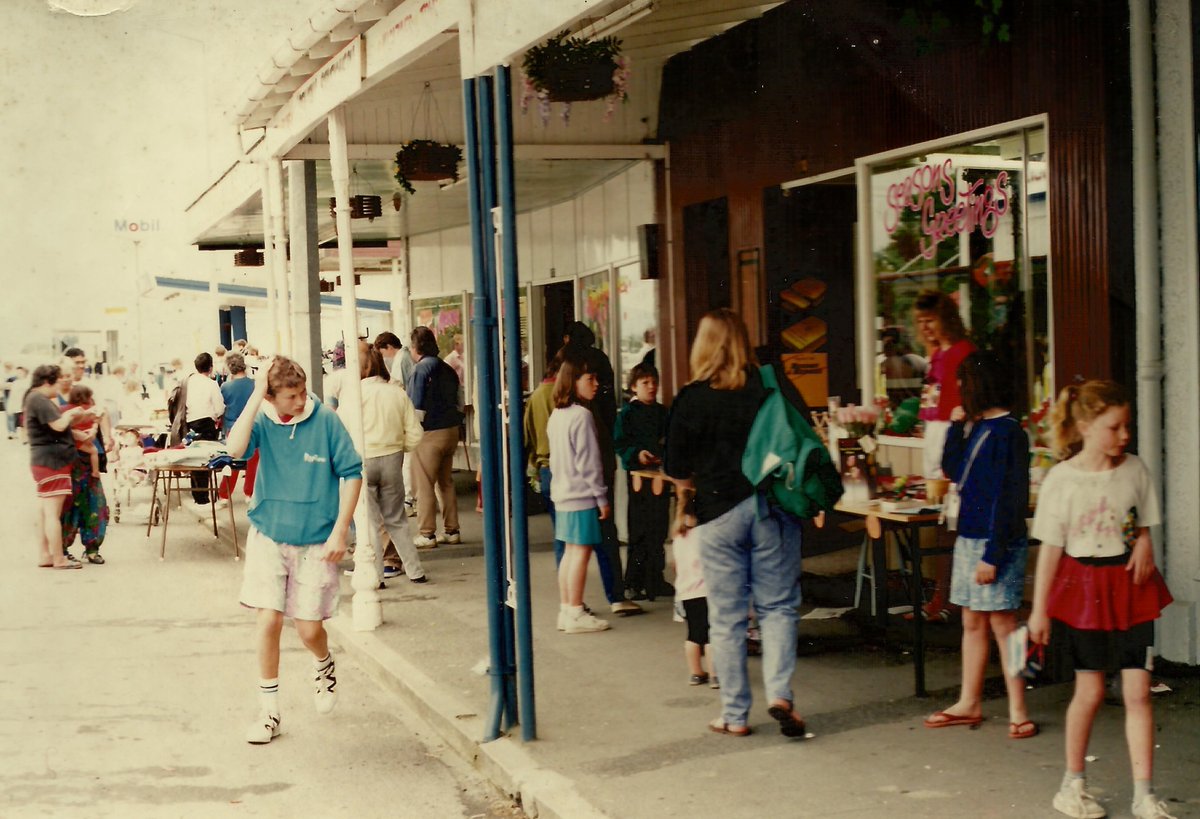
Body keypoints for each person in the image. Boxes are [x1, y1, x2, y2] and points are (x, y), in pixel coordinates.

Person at [1028, 381, 1176, 819]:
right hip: (1086, 590)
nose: (1125, 435)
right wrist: (1039, 609)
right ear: (1087, 426)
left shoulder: (1134, 469)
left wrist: (1145, 542)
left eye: (1127, 426)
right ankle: (1072, 785)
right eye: (1115, 427)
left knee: (1137, 692)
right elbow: (1051, 548)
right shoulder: (1062, 479)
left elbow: (1138, 521)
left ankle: (1144, 794)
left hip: (1131, 585)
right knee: (1089, 691)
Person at [664, 308, 806, 739]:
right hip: (770, 509)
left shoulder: (691, 397)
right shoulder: (767, 386)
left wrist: (695, 485)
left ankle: (734, 714)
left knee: (724, 616)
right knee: (777, 606)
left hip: (717, 513)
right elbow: (799, 439)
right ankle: (780, 694)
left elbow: (675, 466)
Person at [225, 357, 363, 746]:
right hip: (269, 534)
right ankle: (269, 714)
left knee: (308, 629)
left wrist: (340, 532)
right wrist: (255, 395)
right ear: (272, 396)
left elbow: (352, 473)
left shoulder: (325, 421)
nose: (302, 401)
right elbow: (235, 450)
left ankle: (324, 663)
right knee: (268, 620)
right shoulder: (264, 420)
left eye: (303, 392)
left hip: (317, 539)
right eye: (292, 396)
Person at [922, 351, 1034, 738]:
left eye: (964, 386)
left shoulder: (1009, 433)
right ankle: (969, 701)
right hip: (972, 537)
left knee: (1005, 623)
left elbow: (1010, 499)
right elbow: (953, 470)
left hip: (994, 541)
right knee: (972, 620)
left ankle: (1019, 708)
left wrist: (993, 554)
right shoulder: (980, 428)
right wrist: (955, 429)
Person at [563, 321, 640, 616]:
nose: (595, 384)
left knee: (570, 545)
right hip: (597, 468)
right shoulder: (598, 369)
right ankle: (615, 595)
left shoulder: (565, 397)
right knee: (601, 534)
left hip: (570, 480)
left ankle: (571, 601)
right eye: (590, 379)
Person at [913, 290, 976, 621]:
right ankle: (942, 595)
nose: (925, 328)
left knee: (954, 525)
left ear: (947, 319)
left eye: (930, 320)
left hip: (954, 442)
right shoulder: (936, 354)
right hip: (935, 438)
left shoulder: (964, 353)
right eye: (920, 322)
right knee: (940, 525)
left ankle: (953, 598)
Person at [548, 353, 612, 634]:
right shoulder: (582, 416)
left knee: (570, 553)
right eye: (590, 378)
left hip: (563, 493)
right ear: (574, 382)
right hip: (582, 494)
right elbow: (590, 462)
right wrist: (601, 497)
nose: (595, 384)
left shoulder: (557, 416)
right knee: (581, 553)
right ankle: (576, 610)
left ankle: (567, 609)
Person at [356, 340, 426, 583]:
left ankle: (375, 576)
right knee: (396, 519)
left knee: (371, 522)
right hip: (392, 458)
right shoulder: (397, 392)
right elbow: (416, 433)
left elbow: (343, 431)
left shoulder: (355, 396)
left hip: (363, 459)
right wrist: (399, 448)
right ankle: (415, 571)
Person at [613, 362, 674, 601]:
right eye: (645, 383)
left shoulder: (663, 412)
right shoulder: (628, 414)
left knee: (659, 530)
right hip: (639, 480)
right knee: (639, 531)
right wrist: (637, 454)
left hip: (660, 477)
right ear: (633, 387)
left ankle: (655, 579)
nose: (651, 387)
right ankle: (634, 581)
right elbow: (621, 444)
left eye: (653, 382)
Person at [24, 364, 90, 570]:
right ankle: (59, 558)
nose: (60, 384)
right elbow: (59, 426)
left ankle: (45, 554)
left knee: (45, 511)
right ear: (48, 382)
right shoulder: (40, 399)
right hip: (53, 462)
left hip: (43, 461)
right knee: (53, 514)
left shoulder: (33, 398)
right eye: (58, 380)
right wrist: (71, 415)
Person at [406, 326, 464, 548]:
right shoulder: (447, 368)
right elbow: (459, 401)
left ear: (415, 347)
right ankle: (452, 530)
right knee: (446, 482)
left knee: (424, 484)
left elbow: (416, 409)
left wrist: (410, 437)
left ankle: (427, 533)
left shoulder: (420, 370)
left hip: (429, 434)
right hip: (450, 431)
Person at [672, 487, 717, 687]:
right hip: (706, 590)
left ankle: (696, 673)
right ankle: (717, 675)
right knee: (711, 635)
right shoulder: (705, 534)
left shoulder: (678, 537)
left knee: (693, 634)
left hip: (685, 591)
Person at [524, 351, 565, 564]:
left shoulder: (536, 395)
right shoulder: (563, 396)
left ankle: (564, 576)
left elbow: (527, 436)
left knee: (560, 528)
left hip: (545, 467)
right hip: (564, 468)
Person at [183, 352, 226, 505]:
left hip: (189, 424)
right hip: (206, 423)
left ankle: (197, 496)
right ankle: (204, 497)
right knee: (206, 459)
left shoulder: (188, 382)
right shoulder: (211, 384)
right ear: (210, 367)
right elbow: (220, 408)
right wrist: (215, 416)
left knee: (193, 459)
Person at [217, 353, 258, 504]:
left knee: (231, 461)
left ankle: (224, 494)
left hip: (233, 426)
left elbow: (221, 408)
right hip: (253, 425)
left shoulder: (225, 387)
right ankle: (250, 492)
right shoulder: (254, 384)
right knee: (253, 461)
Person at [65, 384, 102, 477]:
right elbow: (97, 418)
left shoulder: (67, 407)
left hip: (74, 438)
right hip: (81, 437)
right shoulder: (87, 408)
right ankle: (95, 472)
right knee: (94, 451)